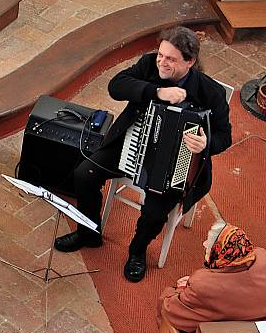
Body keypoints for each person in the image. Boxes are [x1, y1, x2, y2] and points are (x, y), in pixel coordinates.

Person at [54, 26, 232, 282]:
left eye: (171, 59)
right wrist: (156, 91)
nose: (162, 62)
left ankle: (137, 251)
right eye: (161, 54)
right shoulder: (149, 65)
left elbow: (225, 137)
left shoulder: (211, 92)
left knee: (154, 211)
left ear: (190, 62)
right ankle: (88, 233)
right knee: (84, 173)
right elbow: (116, 87)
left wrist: (206, 144)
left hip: (175, 163)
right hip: (132, 139)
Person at [158, 221, 266, 333]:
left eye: (209, 243)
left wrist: (181, 289)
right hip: (259, 329)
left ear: (219, 250)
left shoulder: (203, 284)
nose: (205, 244)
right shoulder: (262, 256)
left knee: (165, 299)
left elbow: (172, 312)